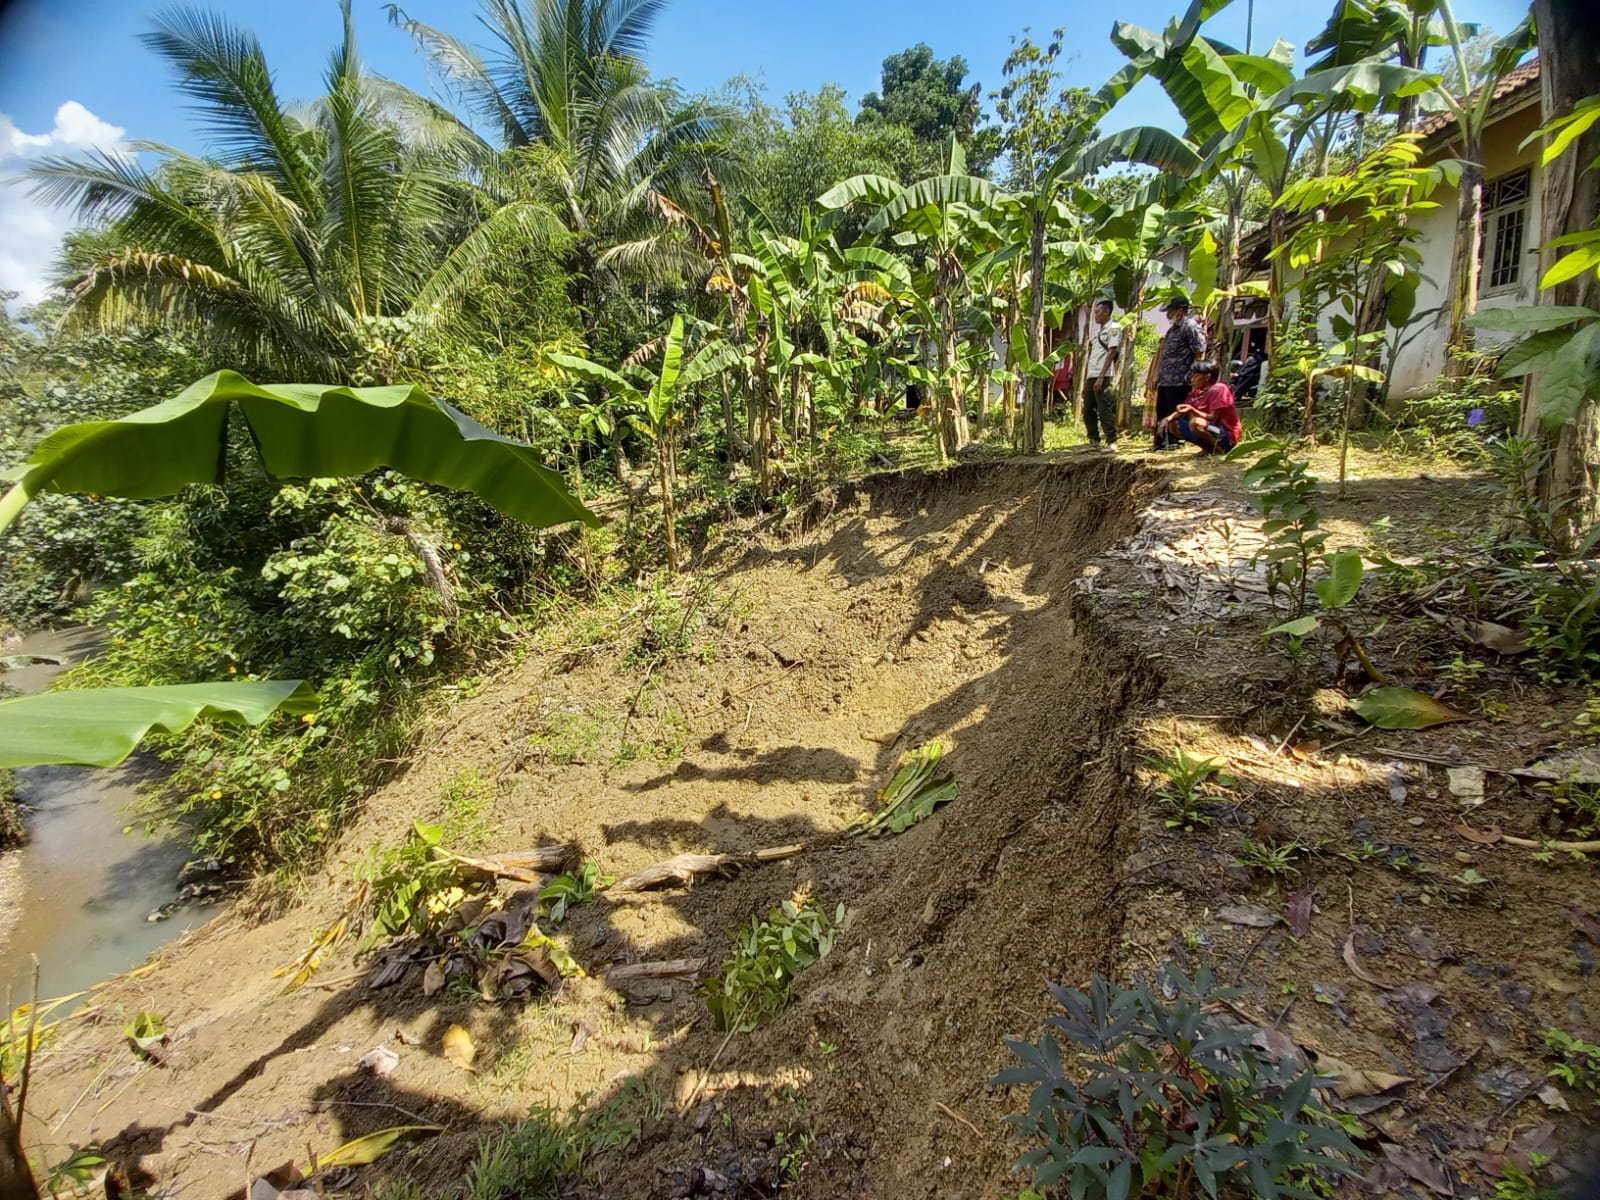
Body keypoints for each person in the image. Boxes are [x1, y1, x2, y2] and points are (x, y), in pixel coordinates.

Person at [1144, 294, 1206, 450]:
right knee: (1162, 411)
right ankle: (1160, 442)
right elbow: (1165, 354)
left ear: (1180, 311)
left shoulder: (1190, 327)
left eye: (1170, 311)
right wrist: (1157, 374)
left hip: (1180, 380)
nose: (1167, 315)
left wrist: (1195, 376)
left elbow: (1199, 353)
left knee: (1175, 412)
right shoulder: (1172, 330)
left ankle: (1174, 441)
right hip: (1166, 380)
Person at [1158, 359, 1243, 455]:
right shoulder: (1196, 393)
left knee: (1195, 423)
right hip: (1210, 429)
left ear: (1207, 377)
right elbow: (1182, 410)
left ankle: (1219, 450)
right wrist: (1167, 419)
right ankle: (1207, 449)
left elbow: (1213, 418)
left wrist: (1193, 410)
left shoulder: (1219, 389)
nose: (1192, 379)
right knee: (1173, 424)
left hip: (1224, 434)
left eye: (1196, 376)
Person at [1083, 298, 1122, 449]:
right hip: (1091, 375)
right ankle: (1094, 439)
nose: (1095, 315)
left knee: (1104, 408)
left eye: (1098, 312)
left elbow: (1112, 351)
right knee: (1087, 410)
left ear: (1107, 311)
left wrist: (1101, 376)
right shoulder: (1097, 331)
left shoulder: (1114, 327)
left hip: (1103, 375)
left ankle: (1112, 440)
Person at [1051, 347, 1075, 418]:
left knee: (1064, 403)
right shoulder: (1057, 361)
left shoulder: (1069, 359)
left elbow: (1070, 372)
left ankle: (1064, 416)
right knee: (1059, 403)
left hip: (1064, 385)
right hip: (1058, 385)